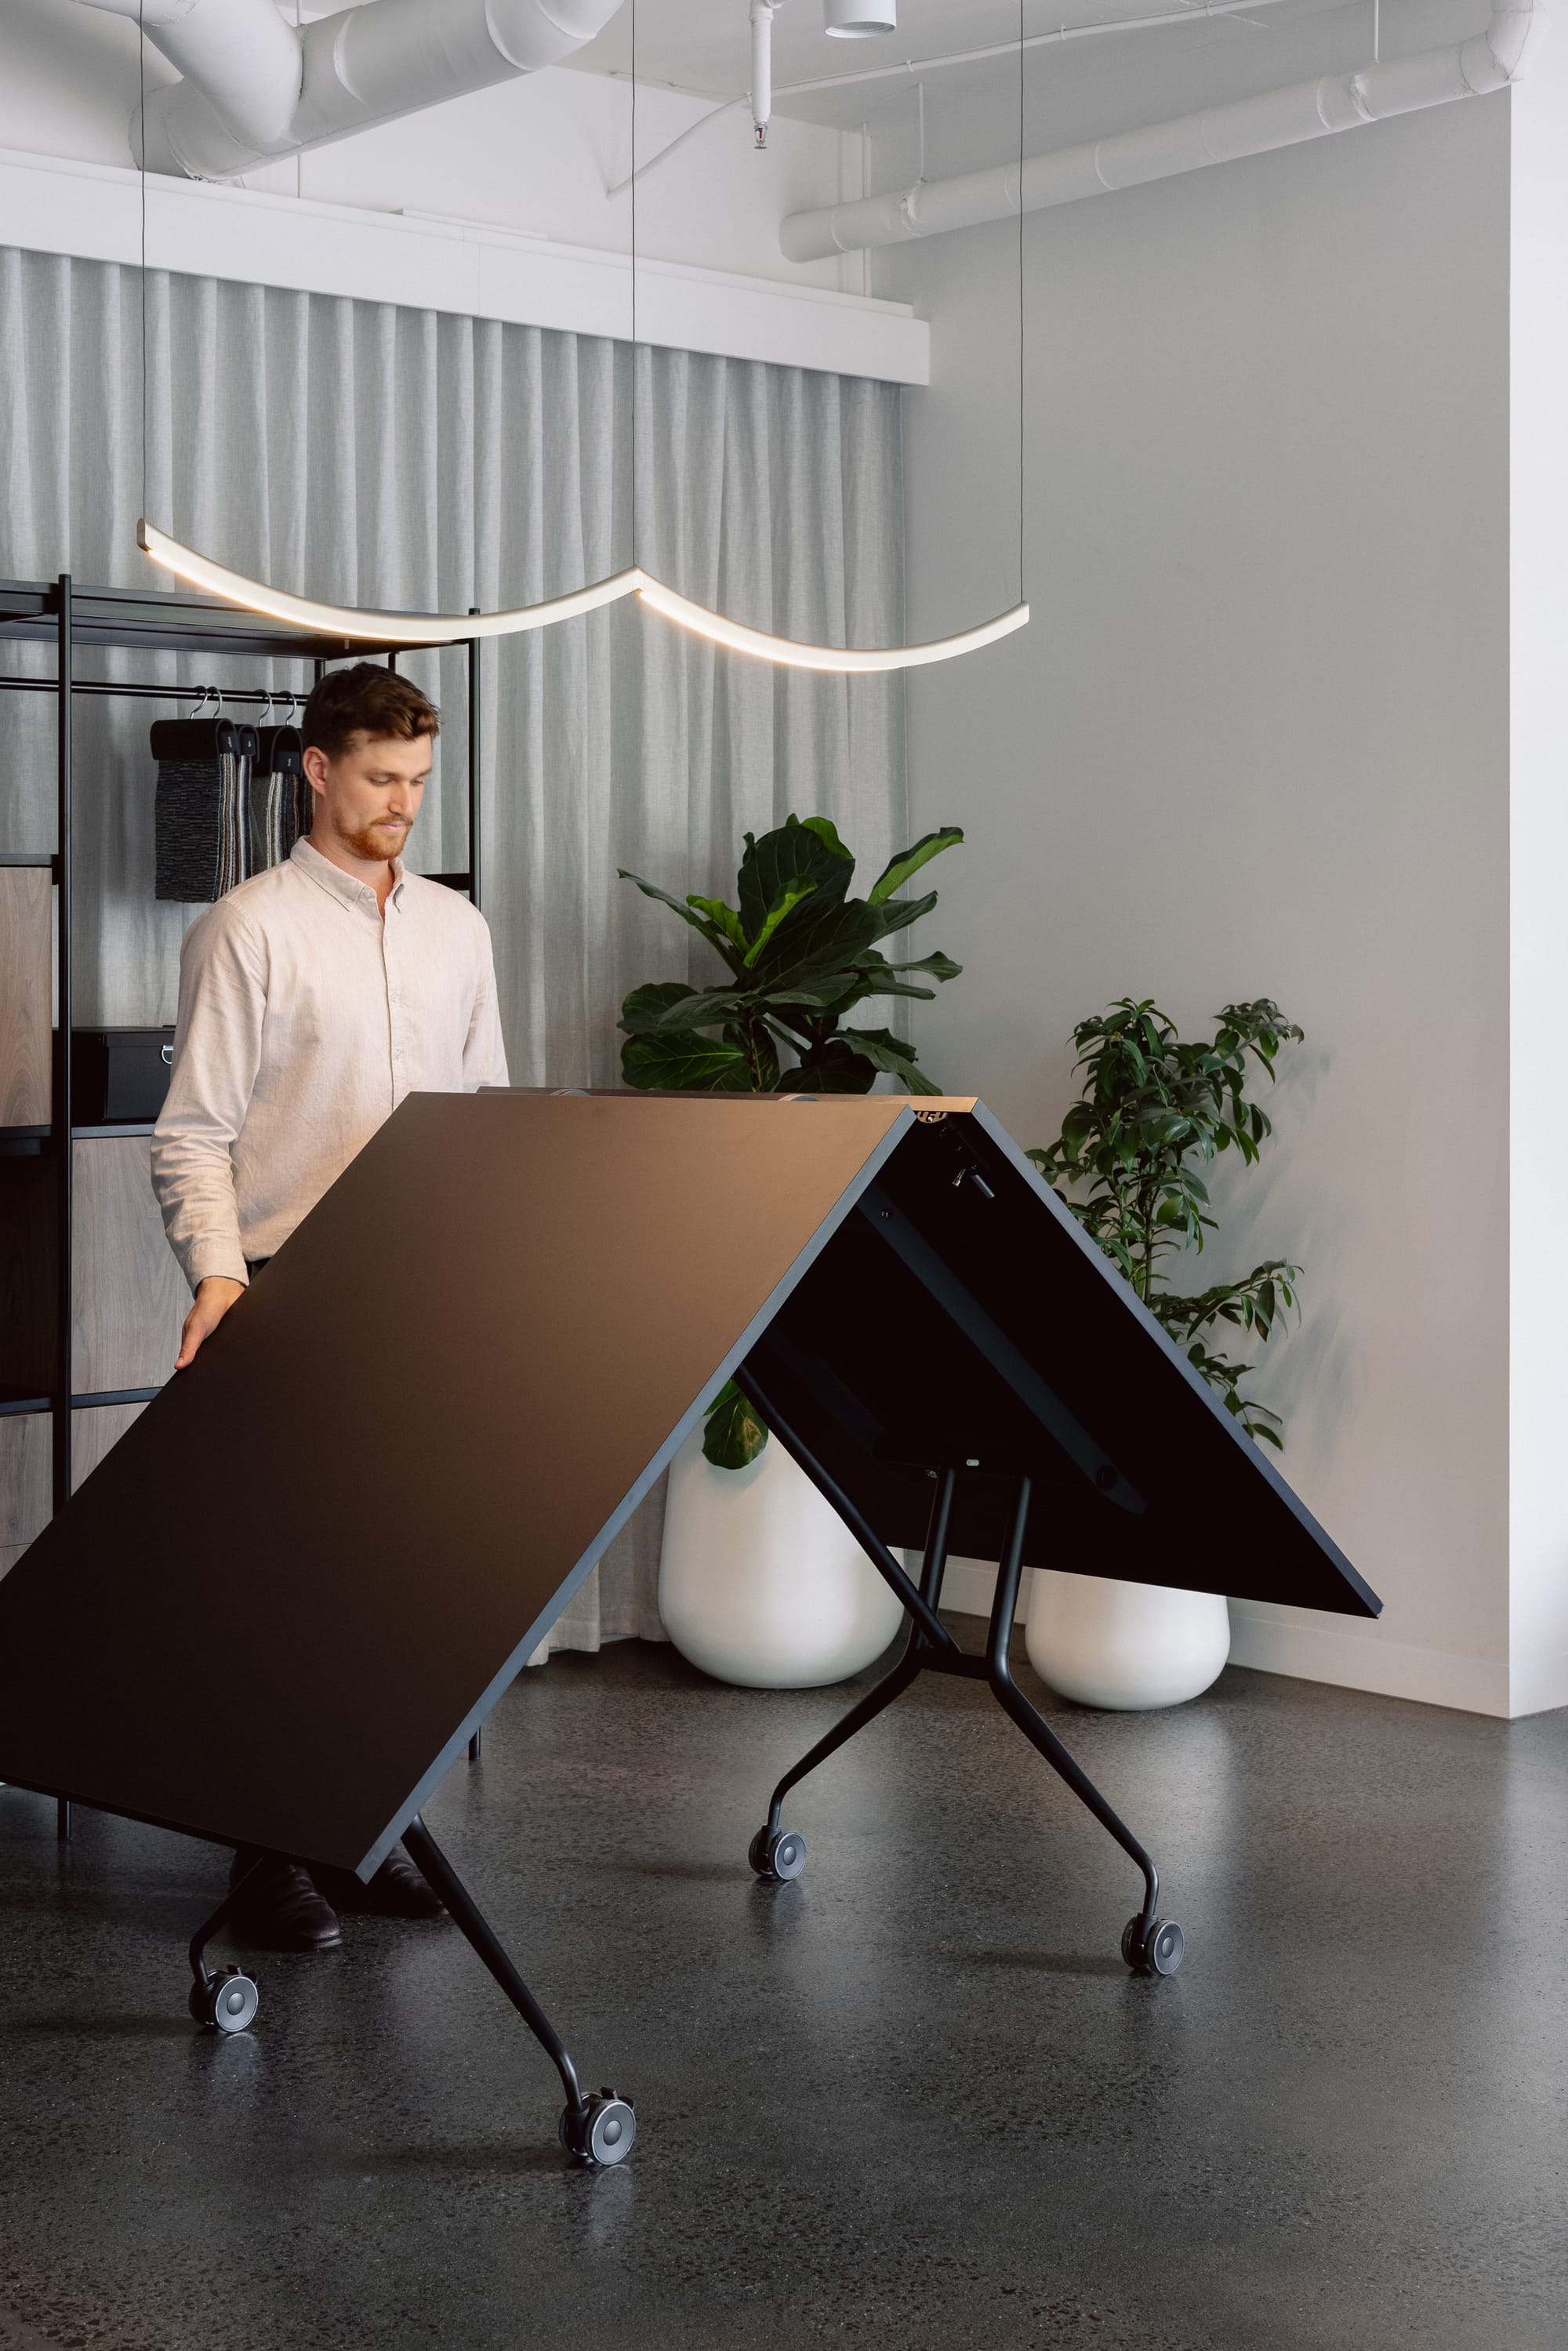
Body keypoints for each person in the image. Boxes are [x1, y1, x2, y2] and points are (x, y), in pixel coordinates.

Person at [151, 662, 510, 1950]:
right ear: (317, 768)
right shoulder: (246, 930)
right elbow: (193, 1135)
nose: (404, 803)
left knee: (391, 1587)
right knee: (284, 1592)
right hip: (290, 1294)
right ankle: (266, 1863)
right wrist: (220, 1277)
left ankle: (360, 1836)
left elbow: (485, 1125)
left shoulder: (459, 932)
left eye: (419, 780)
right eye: (380, 778)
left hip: (426, 1301)